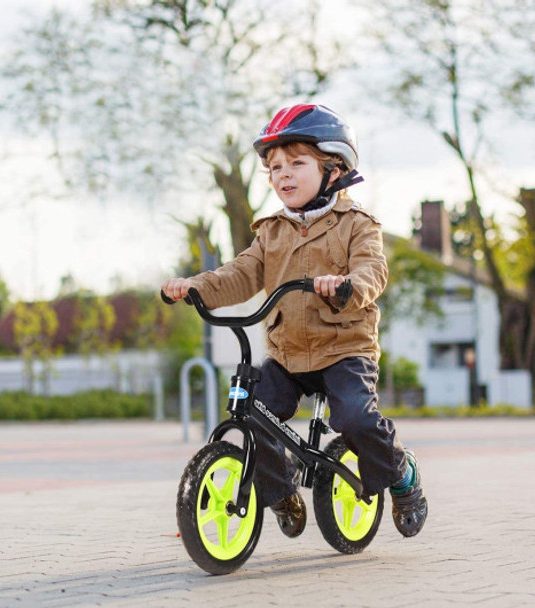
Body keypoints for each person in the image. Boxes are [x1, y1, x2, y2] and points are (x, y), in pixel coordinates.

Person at [161, 103, 427, 539]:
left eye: (297, 163)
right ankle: (281, 491)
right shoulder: (271, 231)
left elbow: (372, 271)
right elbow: (241, 273)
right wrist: (196, 287)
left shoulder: (357, 224)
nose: (282, 174)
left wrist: (346, 287)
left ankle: (402, 476)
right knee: (252, 410)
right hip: (288, 353)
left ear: (334, 170)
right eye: (275, 167)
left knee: (357, 420)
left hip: (344, 351)